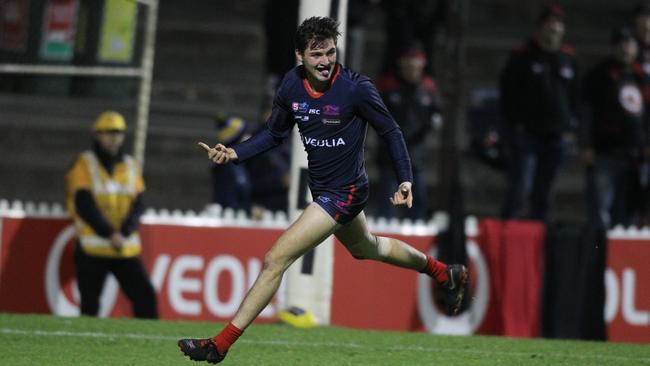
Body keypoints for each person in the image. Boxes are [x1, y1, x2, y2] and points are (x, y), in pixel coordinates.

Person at [178, 16, 468, 364]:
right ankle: (444, 272)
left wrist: (405, 178)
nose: (325, 61)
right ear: (299, 54)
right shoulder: (290, 86)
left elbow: (391, 131)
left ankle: (219, 345)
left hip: (344, 192)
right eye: (316, 54)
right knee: (368, 248)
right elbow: (274, 133)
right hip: (325, 190)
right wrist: (236, 152)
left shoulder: (356, 87)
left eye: (330, 52)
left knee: (275, 259)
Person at [65, 111, 157, 318]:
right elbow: (84, 204)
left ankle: (148, 345)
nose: (113, 137)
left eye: (118, 132)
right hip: (93, 246)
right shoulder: (84, 163)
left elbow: (138, 205)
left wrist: (123, 233)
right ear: (97, 134)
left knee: (145, 296)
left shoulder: (131, 165)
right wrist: (110, 234)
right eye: (108, 132)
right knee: (90, 305)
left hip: (124, 247)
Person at [499, 4, 578, 221]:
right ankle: (508, 236)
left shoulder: (568, 58)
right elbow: (508, 93)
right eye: (550, 22)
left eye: (559, 23)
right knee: (520, 188)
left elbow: (574, 96)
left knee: (545, 192)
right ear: (541, 26)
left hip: (556, 137)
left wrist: (570, 127)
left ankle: (539, 240)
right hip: (526, 135)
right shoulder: (523, 55)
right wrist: (513, 126)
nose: (554, 27)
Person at [581, 27, 650, 228]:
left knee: (628, 211)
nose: (625, 49)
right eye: (620, 44)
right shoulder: (598, 76)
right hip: (605, 153)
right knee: (601, 210)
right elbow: (587, 112)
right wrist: (586, 144)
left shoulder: (642, 78)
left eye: (629, 44)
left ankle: (623, 258)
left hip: (635, 156)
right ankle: (598, 256)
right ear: (611, 48)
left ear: (636, 48)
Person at [374, 40, 442, 220]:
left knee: (417, 198)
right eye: (408, 63)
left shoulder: (428, 88)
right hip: (391, 154)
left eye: (416, 64)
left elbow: (436, 114)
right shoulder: (388, 86)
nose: (412, 69)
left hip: (416, 155)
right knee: (387, 198)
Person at [210, 114, 252, 212]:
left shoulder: (244, 164)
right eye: (243, 136)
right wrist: (248, 209)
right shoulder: (225, 168)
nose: (249, 138)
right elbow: (227, 199)